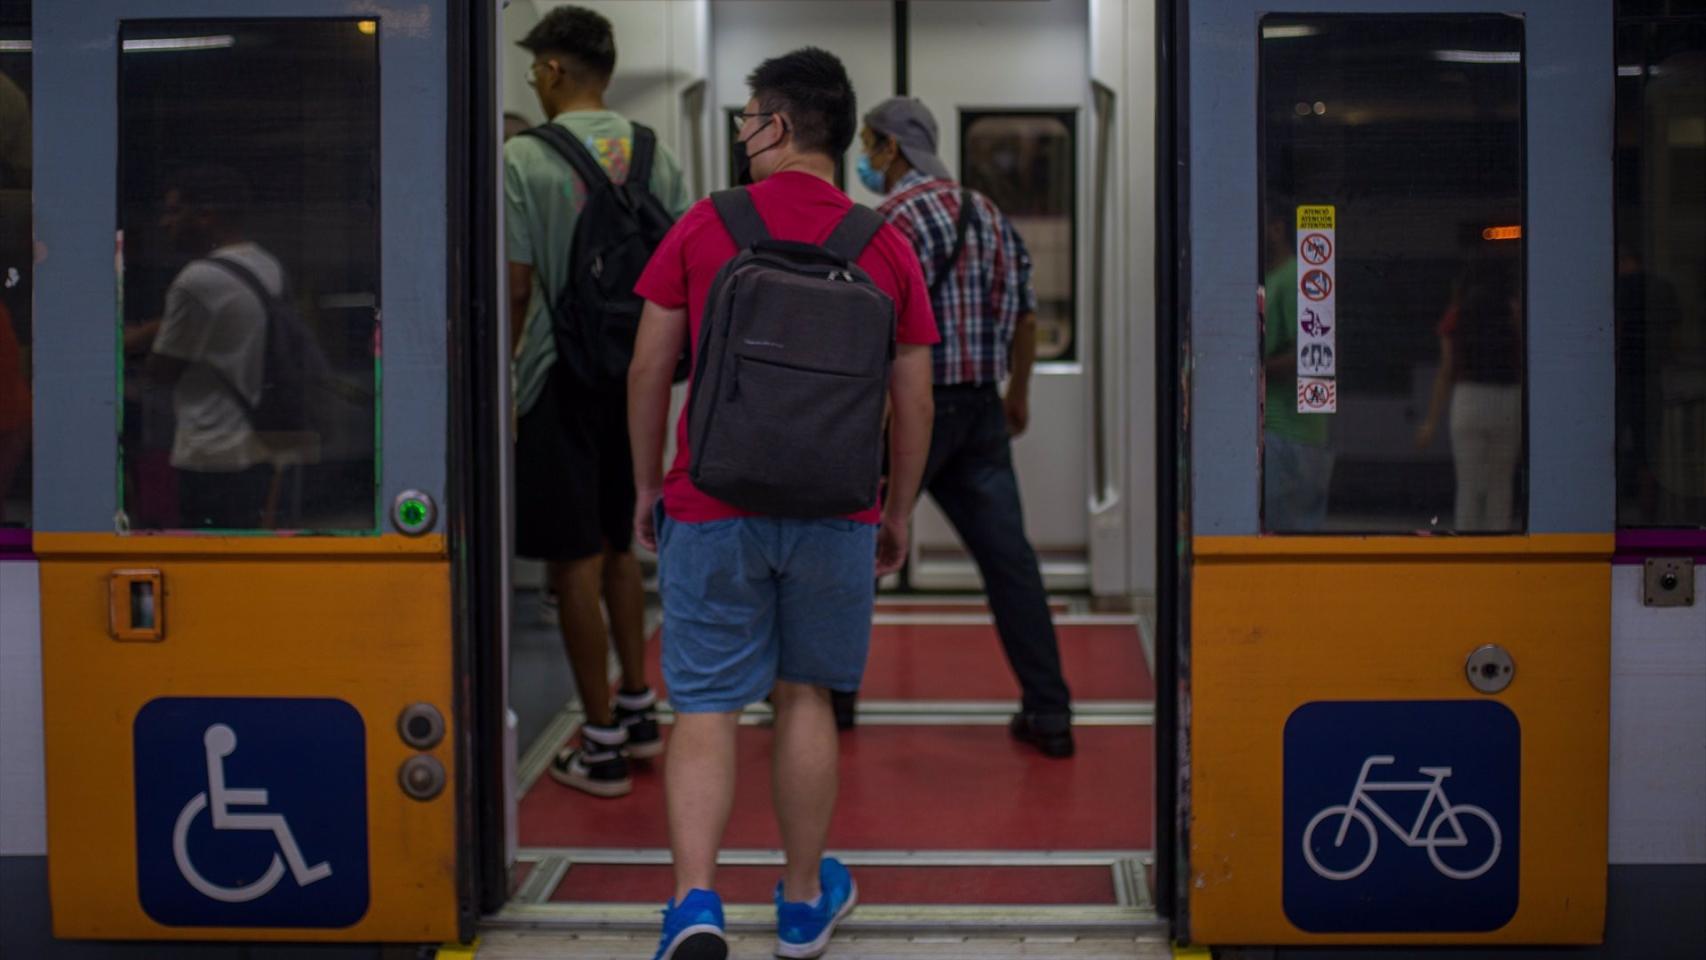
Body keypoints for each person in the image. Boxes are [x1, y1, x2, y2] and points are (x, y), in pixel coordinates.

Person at [628, 48, 937, 960]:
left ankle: (694, 904)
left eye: (746, 117)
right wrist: (898, 511)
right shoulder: (884, 241)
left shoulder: (703, 225)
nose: (738, 133)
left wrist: (648, 484)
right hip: (836, 512)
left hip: (712, 502)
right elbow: (912, 397)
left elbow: (649, 368)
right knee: (805, 695)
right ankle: (802, 904)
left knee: (708, 703)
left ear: (776, 123)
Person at [505, 4, 692, 798]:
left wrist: (503, 384)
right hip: (636, 379)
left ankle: (603, 742)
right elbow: (683, 276)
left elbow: (516, 287)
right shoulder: (658, 155)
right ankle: (640, 707)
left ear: (552, 69)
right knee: (623, 546)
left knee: (570, 563)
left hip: (557, 378)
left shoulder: (523, 158)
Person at [856, 96, 1075, 758]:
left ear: (891, 149)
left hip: (910, 416)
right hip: (980, 410)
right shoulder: (988, 212)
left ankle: (829, 699)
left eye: (868, 146)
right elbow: (1029, 317)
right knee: (1011, 565)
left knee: (857, 558)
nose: (865, 159)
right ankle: (1050, 713)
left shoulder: (886, 220)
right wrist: (1018, 395)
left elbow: (875, 331)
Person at [146, 167, 282, 530]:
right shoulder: (264, 265)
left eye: (175, 212)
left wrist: (135, 340)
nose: (164, 223)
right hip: (257, 443)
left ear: (205, 215)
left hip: (208, 451)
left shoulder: (196, 281)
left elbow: (161, 371)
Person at [1415, 259, 1523, 531]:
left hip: (1469, 399)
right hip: (1508, 399)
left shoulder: (1457, 313)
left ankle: (1469, 545)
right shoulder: (1513, 312)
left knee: (1469, 485)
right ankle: (1499, 548)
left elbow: (1446, 369)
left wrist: (1430, 421)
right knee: (1501, 484)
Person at [1261, 200, 1334, 530]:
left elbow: (1309, 353)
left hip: (1290, 433)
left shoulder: (1292, 279)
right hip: (1292, 432)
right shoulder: (1278, 278)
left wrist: (1250, 368)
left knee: (1288, 532)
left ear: (1277, 229)